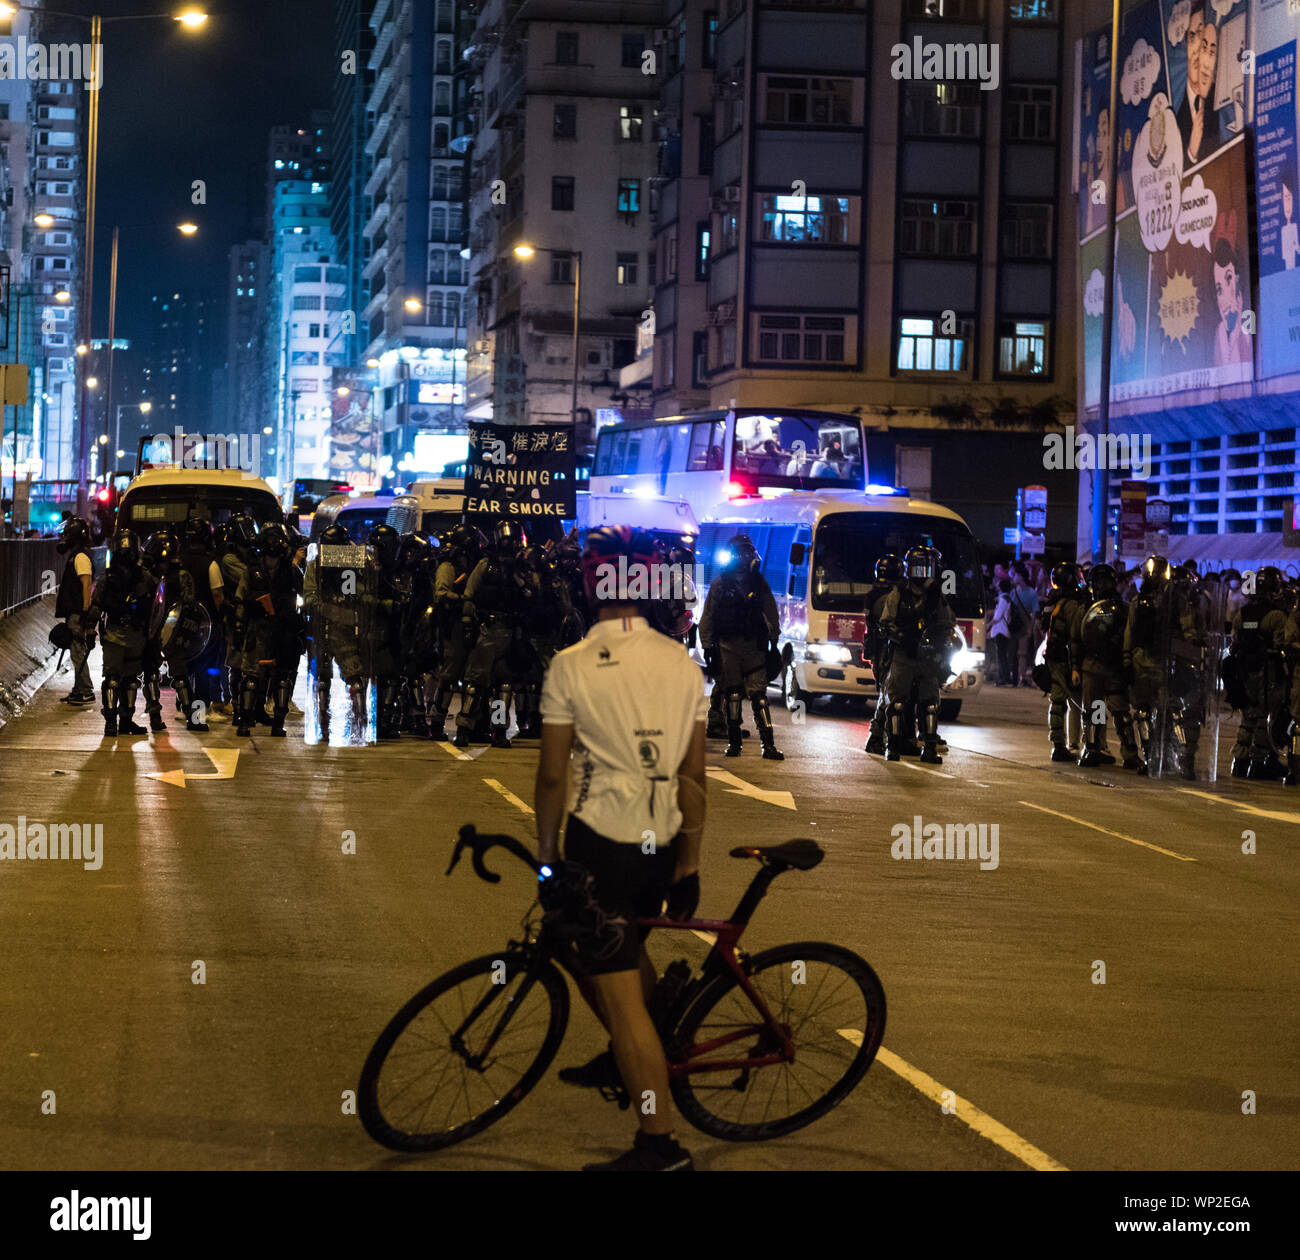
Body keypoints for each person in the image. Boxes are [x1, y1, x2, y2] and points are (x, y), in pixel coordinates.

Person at [534, 525, 706, 1172]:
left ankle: (659, 1145)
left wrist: (547, 855)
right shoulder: (683, 663)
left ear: (591, 584)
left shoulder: (570, 664)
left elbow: (552, 776)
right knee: (619, 952)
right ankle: (650, 1041)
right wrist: (689, 863)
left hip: (600, 843)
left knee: (617, 994)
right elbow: (695, 777)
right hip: (659, 847)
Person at [698, 533, 783, 760]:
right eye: (742, 553)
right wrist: (708, 647)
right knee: (733, 695)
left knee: (760, 697)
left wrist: (773, 640)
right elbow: (708, 617)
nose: (746, 558)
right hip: (728, 648)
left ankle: (769, 745)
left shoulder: (758, 583)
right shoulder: (720, 585)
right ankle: (734, 744)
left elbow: (771, 612)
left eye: (749, 553)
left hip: (754, 647)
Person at [457, 519, 530, 749]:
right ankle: (463, 728)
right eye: (509, 539)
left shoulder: (519, 569)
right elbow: (469, 595)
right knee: (475, 683)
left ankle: (498, 731)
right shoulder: (486, 565)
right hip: (487, 630)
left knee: (504, 685)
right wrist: (468, 625)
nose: (512, 543)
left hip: (509, 631)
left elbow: (528, 594)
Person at [880, 545, 955, 764]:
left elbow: (947, 622)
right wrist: (900, 635)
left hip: (927, 657)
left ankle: (930, 747)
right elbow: (885, 623)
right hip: (903, 654)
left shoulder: (936, 596)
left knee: (930, 704)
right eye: (917, 567)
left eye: (925, 567)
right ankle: (892, 745)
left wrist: (939, 642)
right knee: (897, 702)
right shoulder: (899, 593)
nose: (920, 573)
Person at [1072, 563, 1143, 771]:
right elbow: (1076, 641)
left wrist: (1129, 664)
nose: (1103, 586)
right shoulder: (1084, 609)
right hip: (1092, 666)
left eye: (1107, 581)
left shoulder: (1123, 609)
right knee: (1095, 710)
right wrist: (1075, 668)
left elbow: (1131, 638)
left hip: (1115, 667)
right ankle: (1092, 749)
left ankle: (1130, 754)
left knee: (1121, 712)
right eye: (1099, 582)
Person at [89, 529, 155, 738]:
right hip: (132, 635)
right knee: (128, 680)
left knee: (115, 679)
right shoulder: (143, 576)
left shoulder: (108, 578)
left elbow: (95, 605)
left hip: (117, 635)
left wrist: (90, 629)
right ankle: (122, 721)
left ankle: (114, 721)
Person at [1227, 565, 1288, 779]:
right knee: (1265, 718)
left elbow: (1235, 641)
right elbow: (1283, 646)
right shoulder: (1277, 616)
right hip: (1268, 673)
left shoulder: (1243, 613)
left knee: (1248, 717)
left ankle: (1240, 761)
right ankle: (1260, 762)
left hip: (1246, 672)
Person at [427, 524, 483, 741]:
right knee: (449, 677)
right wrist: (463, 600)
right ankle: (437, 723)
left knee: (474, 678)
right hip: (453, 627)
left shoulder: (473, 565)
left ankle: (470, 726)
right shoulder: (448, 567)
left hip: (471, 625)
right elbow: (441, 595)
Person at [1042, 562, 1087, 762]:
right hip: (1067, 659)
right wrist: (1076, 666)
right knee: (1090, 703)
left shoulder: (1052, 601)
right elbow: (1076, 636)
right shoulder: (1071, 604)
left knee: (1058, 701)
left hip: (1054, 657)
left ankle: (1062, 743)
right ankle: (1088, 744)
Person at [54, 516, 96, 705]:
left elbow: (86, 583)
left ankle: (85, 690)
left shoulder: (80, 556)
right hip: (76, 612)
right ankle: (78, 690)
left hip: (78, 613)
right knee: (75, 652)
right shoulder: (77, 555)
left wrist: (84, 611)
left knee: (78, 652)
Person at [863, 554, 902, 755]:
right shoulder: (891, 597)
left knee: (888, 693)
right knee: (890, 694)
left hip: (878, 650)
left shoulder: (872, 594)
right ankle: (878, 736)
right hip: (887, 650)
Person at [1175, 6, 1220, 168]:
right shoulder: (1175, 118)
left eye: (1203, 40)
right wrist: (1191, 152)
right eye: (1192, 37)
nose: (1196, 51)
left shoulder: (1219, 102)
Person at [987, 578, 1015, 685]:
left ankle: (1004, 677)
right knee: (1002, 655)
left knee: (1001, 655)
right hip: (1003, 630)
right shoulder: (1006, 598)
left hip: (1001, 630)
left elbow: (997, 616)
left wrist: (988, 625)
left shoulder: (1003, 599)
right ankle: (1005, 677)